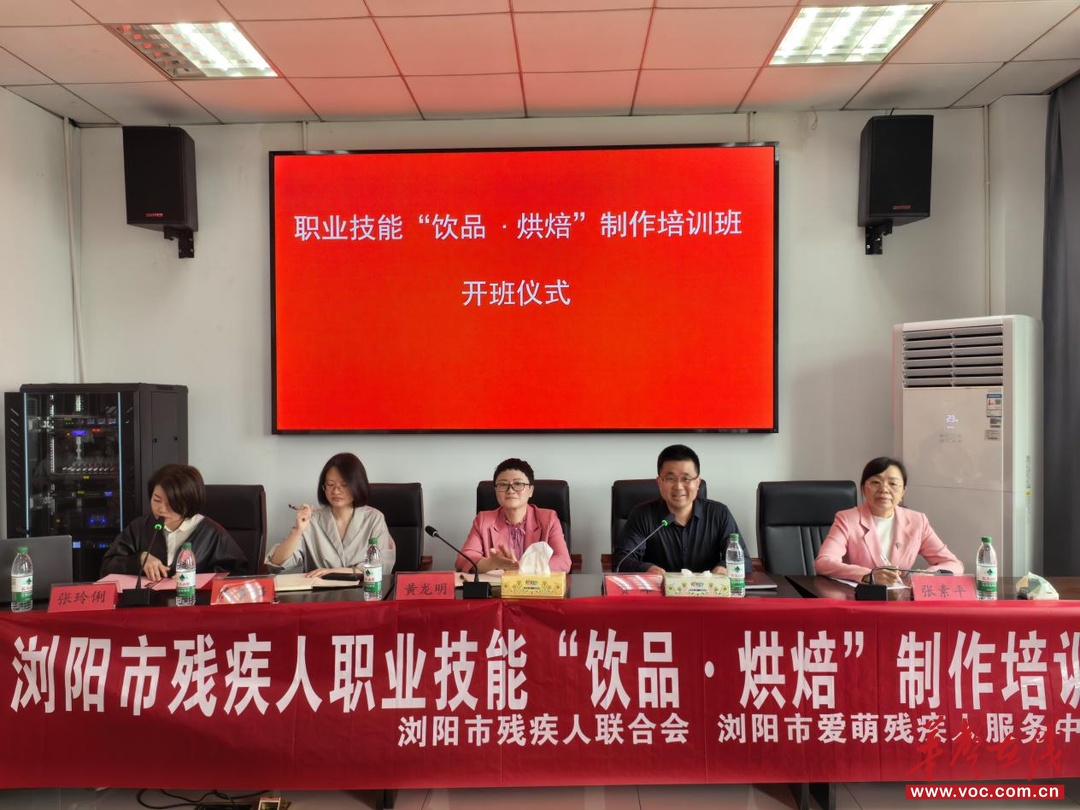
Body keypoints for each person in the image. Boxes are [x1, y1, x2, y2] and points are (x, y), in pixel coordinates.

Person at [814, 456, 964, 585]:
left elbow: (954, 564)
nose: (884, 489)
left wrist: (928, 575)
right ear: (864, 488)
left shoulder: (917, 521)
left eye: (893, 484)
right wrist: (868, 575)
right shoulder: (847, 519)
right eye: (876, 482)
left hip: (900, 599)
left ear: (903, 492)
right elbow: (823, 563)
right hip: (860, 597)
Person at [614, 444, 749, 574]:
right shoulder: (642, 515)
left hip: (707, 589)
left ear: (697, 483)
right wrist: (647, 569)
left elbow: (745, 562)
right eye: (670, 479)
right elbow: (621, 562)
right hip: (659, 589)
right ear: (659, 482)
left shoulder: (719, 514)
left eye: (686, 479)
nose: (678, 487)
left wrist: (724, 567)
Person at [100, 464, 246, 581]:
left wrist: (197, 578)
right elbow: (107, 567)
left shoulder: (212, 533)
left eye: (171, 504)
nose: (161, 509)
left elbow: (240, 572)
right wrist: (140, 560)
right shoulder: (139, 527)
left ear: (189, 503)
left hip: (194, 604)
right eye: (156, 500)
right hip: (149, 604)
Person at [266, 452, 396, 578]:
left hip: (364, 589)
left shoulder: (374, 518)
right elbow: (276, 565)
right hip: (319, 591)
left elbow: (382, 566)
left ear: (357, 485)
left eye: (344, 485)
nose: (336, 491)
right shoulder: (312, 519)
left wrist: (336, 572)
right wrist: (297, 530)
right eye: (330, 484)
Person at [457, 458, 571, 574]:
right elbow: (463, 559)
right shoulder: (483, 520)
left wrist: (521, 567)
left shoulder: (549, 519)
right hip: (497, 586)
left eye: (518, 484)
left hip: (536, 585)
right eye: (503, 485)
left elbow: (563, 561)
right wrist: (493, 563)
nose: (510, 490)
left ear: (531, 490)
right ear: (496, 490)